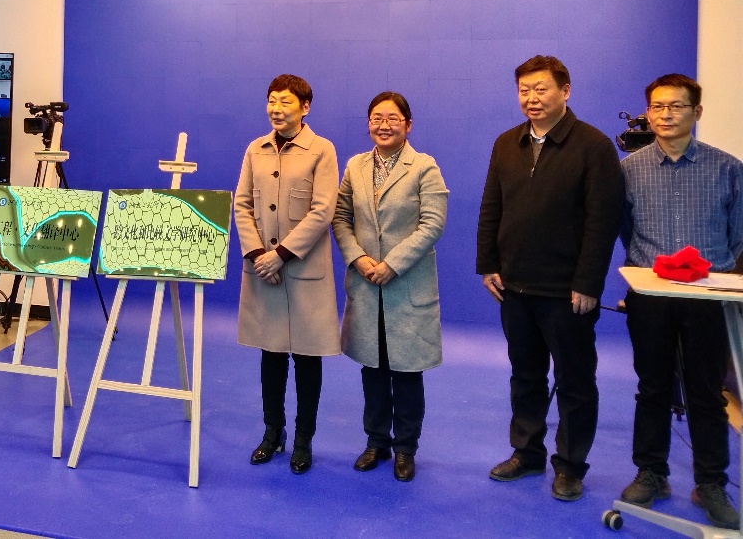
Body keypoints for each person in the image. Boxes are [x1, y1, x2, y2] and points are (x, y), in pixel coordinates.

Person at [476, 55, 623, 501]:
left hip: (567, 292)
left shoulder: (594, 146)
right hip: (514, 287)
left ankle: (571, 465)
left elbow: (602, 222)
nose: (531, 98)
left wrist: (589, 283)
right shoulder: (507, 143)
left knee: (575, 383)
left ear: (565, 91)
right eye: (524, 90)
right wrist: (488, 264)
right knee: (525, 376)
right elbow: (491, 207)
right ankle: (526, 452)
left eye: (541, 89)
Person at [618, 74, 743, 530]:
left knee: (707, 392)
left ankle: (710, 482)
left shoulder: (728, 169)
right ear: (647, 113)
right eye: (657, 107)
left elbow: (737, 236)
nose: (665, 115)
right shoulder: (629, 170)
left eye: (676, 106)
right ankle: (651, 473)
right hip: (649, 294)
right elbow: (625, 229)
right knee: (652, 387)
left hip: (706, 297)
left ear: (697, 112)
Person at [332, 92, 448, 482]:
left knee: (407, 372)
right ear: (368, 123)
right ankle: (376, 441)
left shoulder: (425, 167)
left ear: (408, 125)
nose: (384, 125)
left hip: (406, 285)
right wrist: (358, 258)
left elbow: (432, 224)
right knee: (373, 369)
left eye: (393, 118)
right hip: (366, 285)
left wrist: (392, 264)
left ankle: (405, 449)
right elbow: (340, 217)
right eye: (377, 118)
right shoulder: (355, 166)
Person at [234, 74, 340, 474]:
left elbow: (323, 210)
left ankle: (303, 440)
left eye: (286, 102)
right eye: (272, 101)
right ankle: (272, 432)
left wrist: (280, 255)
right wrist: (258, 255)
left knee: (308, 360)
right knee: (271, 355)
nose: (276, 109)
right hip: (263, 270)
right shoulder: (255, 149)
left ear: (305, 107)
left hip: (302, 269)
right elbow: (242, 205)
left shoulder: (322, 150)